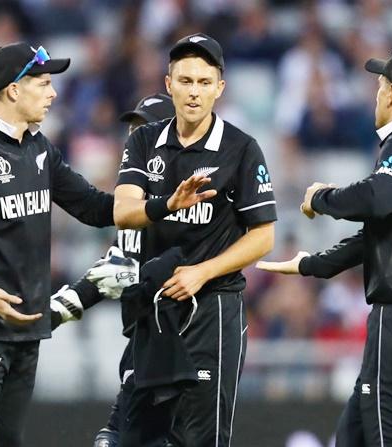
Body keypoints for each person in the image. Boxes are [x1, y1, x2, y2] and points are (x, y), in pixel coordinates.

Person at [0, 43, 200, 447]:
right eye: (44, 83)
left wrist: (164, 202)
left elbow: (95, 208)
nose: (53, 93)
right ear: (13, 90)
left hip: (28, 326)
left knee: (8, 440)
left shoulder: (39, 148)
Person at [257, 43, 392, 446]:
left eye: (381, 82)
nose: (375, 91)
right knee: (351, 437)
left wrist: (321, 198)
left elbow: (373, 199)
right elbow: (380, 233)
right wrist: (312, 265)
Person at [114, 33, 277, 446]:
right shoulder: (143, 140)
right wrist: (168, 203)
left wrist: (202, 273)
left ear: (220, 89)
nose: (194, 93)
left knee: (202, 438)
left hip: (213, 311)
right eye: (185, 81)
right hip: (154, 313)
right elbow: (123, 211)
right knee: (137, 437)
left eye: (205, 83)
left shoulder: (241, 149)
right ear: (168, 84)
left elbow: (263, 237)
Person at [48, 93, 176, 447]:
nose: (134, 140)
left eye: (144, 130)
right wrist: (56, 311)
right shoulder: (134, 204)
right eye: (133, 131)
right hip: (142, 349)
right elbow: (115, 268)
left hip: (181, 355)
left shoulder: (185, 200)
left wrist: (136, 279)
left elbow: (185, 269)